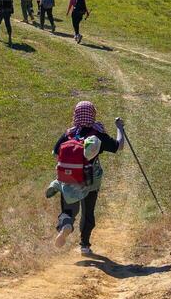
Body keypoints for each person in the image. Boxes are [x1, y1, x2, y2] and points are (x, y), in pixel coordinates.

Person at [48, 101, 124, 257]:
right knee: (88, 212)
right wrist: (120, 128)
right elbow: (119, 146)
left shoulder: (69, 134)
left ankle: (66, 225)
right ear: (93, 114)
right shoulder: (97, 134)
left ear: (76, 115)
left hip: (69, 179)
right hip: (90, 181)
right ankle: (84, 246)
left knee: (68, 210)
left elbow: (55, 153)